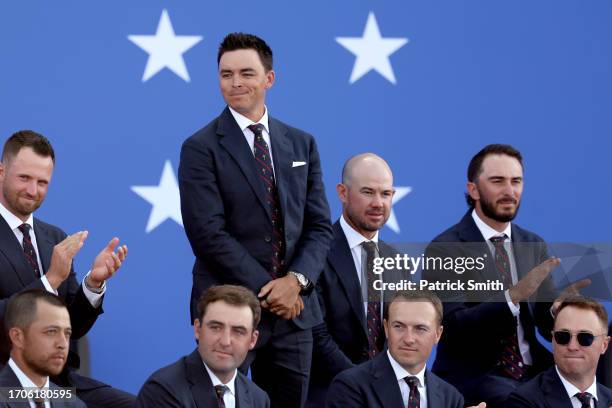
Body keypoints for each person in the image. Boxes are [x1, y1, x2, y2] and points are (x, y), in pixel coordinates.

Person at [178, 32, 332, 407]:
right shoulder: (200, 148)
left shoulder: (302, 143)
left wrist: (295, 283)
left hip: (295, 314)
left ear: (269, 79)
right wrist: (272, 291)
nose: (235, 83)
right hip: (228, 311)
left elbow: (319, 226)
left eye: (246, 73)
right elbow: (207, 233)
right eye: (226, 74)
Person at [423, 144, 586, 406]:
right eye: (498, 181)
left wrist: (557, 310)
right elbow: (453, 327)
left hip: (535, 372)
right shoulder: (446, 247)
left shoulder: (532, 243)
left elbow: (544, 327)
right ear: (473, 189)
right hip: (477, 376)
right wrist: (510, 298)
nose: (509, 191)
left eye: (516, 181)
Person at [0, 130, 133, 407]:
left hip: (61, 385)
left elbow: (75, 326)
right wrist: (50, 281)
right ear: (1, 171)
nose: (32, 190)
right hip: (8, 385)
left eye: (42, 182)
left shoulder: (54, 237)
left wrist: (93, 284)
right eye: (24, 178)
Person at [307, 153, 401, 405]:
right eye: (368, 192)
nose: (378, 203)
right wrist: (361, 385)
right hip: (329, 394)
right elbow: (316, 335)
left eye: (386, 194)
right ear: (342, 192)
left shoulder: (397, 261)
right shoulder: (315, 252)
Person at [135, 285, 269, 408]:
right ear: (198, 329)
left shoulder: (259, 399)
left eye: (238, 331)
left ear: (252, 340)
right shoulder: (163, 391)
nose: (225, 341)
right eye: (216, 327)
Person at [326, 290, 465, 407]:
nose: (408, 339)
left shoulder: (451, 398)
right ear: (386, 328)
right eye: (399, 326)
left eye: (420, 329)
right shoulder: (350, 387)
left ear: (438, 334)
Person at [506, 295, 612, 407]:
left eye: (585, 338)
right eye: (563, 336)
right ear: (553, 339)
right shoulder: (524, 400)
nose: (572, 346)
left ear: (604, 345)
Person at [0, 289, 86, 407]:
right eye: (51, 331)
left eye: (67, 333)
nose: (63, 344)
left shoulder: (74, 405)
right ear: (17, 337)